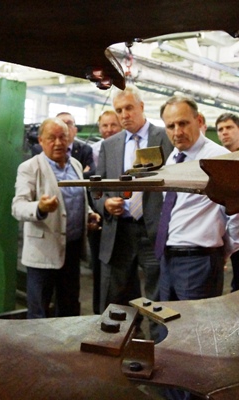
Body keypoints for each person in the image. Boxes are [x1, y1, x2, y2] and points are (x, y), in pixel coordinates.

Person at [157, 97, 239, 302]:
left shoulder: (219, 158)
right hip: (168, 257)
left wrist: (222, 251)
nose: (177, 132)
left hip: (199, 260)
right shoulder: (173, 158)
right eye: (171, 126)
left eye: (183, 123)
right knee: (167, 319)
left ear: (198, 121)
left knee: (195, 322)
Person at [96, 85, 173, 319]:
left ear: (141, 106)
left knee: (158, 298)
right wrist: (105, 204)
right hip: (120, 232)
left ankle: (159, 339)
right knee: (118, 297)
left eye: (129, 108)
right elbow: (97, 189)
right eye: (119, 110)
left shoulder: (166, 138)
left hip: (154, 231)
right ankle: (126, 338)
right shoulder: (109, 145)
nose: (124, 115)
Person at [11, 117, 100, 319]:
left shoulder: (76, 165)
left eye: (63, 137)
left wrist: (88, 214)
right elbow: (18, 207)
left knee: (69, 307)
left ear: (69, 139)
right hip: (43, 252)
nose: (58, 143)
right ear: (41, 140)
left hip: (72, 250)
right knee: (39, 311)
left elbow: (78, 198)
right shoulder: (29, 168)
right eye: (52, 138)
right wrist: (40, 207)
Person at [88, 110, 122, 314]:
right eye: (105, 126)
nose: (109, 130)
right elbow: (94, 187)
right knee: (100, 269)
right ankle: (99, 312)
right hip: (99, 217)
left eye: (113, 125)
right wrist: (101, 206)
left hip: (122, 217)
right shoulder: (92, 150)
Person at [215, 112, 239, 292]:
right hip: (222, 225)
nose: (224, 132)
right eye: (220, 129)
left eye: (229, 127)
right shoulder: (215, 161)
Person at [56, 112, 96, 179]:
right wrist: (79, 175)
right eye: (61, 124)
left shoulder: (85, 151)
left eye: (69, 124)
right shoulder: (43, 150)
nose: (65, 127)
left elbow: (91, 174)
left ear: (75, 131)